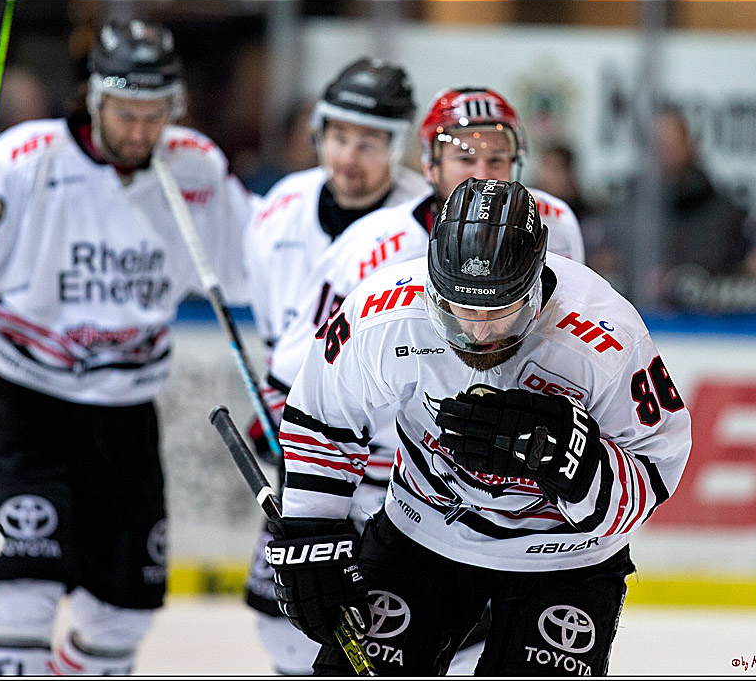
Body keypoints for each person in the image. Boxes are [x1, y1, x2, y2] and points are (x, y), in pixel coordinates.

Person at [266, 177, 691, 676]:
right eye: (459, 311)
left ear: (535, 282)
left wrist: (577, 467)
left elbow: (658, 466)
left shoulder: (606, 335)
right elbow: (324, 415)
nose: (478, 333)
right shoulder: (384, 313)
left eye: (500, 314)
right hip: (422, 532)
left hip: (566, 558)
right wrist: (312, 528)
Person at [0, 21, 254, 675]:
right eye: (126, 114)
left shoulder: (193, 166)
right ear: (91, 97)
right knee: (18, 602)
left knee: (123, 617)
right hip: (25, 409)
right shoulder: (24, 158)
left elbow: (261, 263)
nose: (141, 132)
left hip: (126, 415)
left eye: (155, 115)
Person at [264, 85, 587, 674]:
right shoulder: (372, 245)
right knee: (312, 638)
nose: (481, 172)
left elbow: (568, 341)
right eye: (465, 157)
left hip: (500, 486)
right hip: (382, 489)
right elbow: (300, 367)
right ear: (430, 162)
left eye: (497, 158)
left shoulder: (553, 223)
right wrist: (307, 492)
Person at [241, 57, 428, 675]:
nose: (350, 156)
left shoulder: (422, 225)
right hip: (310, 453)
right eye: (340, 136)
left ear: (398, 148)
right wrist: (281, 411)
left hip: (394, 471)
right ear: (319, 132)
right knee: (285, 618)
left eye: (370, 142)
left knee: (386, 626)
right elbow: (276, 332)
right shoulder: (279, 211)